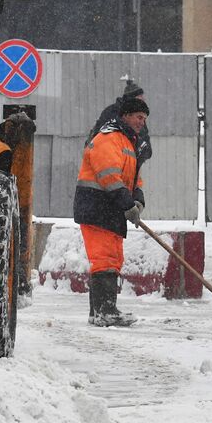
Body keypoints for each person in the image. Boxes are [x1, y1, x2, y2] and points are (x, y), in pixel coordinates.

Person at [74, 97, 148, 327]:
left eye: (144, 119)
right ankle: (105, 310)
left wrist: (138, 200)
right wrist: (127, 205)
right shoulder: (108, 139)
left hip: (111, 210)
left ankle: (99, 312)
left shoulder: (127, 143)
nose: (141, 123)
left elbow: (134, 178)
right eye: (139, 117)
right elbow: (109, 176)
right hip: (97, 208)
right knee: (104, 258)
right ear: (126, 115)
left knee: (113, 259)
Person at [89, 78, 152, 165]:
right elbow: (97, 140)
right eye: (139, 100)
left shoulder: (139, 119)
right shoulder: (111, 113)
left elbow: (147, 149)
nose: (141, 123)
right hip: (108, 163)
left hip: (128, 167)